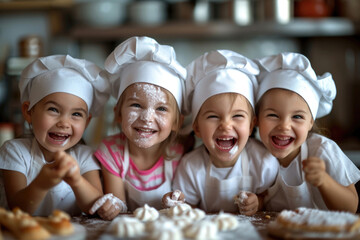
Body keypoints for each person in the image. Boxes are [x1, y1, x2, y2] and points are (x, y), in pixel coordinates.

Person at [167, 50, 279, 215]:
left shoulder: (264, 163)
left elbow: (269, 198)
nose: (226, 125)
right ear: (196, 127)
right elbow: (187, 209)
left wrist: (258, 202)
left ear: (251, 125)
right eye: (213, 116)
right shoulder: (190, 167)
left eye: (237, 116)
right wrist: (178, 204)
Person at [0, 55, 110, 216]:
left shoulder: (85, 156)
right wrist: (41, 185)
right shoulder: (15, 151)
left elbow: (95, 208)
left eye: (76, 114)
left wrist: (76, 181)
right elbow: (18, 209)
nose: (64, 123)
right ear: (28, 111)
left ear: (87, 122)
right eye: (53, 110)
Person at [92, 36, 187, 220]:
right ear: (118, 114)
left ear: (177, 122)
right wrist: (111, 208)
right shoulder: (112, 152)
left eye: (161, 109)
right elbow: (118, 206)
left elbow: (183, 202)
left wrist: (176, 200)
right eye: (136, 105)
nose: (146, 118)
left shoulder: (179, 152)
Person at [255, 52, 360, 213]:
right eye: (273, 115)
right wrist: (256, 202)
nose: (284, 126)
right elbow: (264, 199)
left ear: (311, 122)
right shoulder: (256, 154)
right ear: (257, 119)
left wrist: (324, 180)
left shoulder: (321, 150)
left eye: (297, 116)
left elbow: (351, 207)